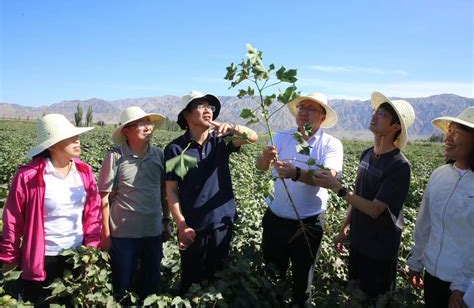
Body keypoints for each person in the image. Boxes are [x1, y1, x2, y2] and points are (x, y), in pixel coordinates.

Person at [313, 92, 415, 300]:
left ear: (396, 127)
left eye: (383, 115)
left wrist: (338, 188)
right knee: (355, 294)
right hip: (359, 242)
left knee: (375, 299)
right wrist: (344, 229)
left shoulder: (399, 165)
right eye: (376, 111)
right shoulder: (367, 154)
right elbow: (358, 197)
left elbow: (374, 209)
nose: (375, 116)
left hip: (380, 250)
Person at [0, 114, 101, 307]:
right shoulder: (28, 176)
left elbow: (93, 214)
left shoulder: (84, 172)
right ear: (53, 145)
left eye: (76, 136)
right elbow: (13, 219)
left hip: (76, 255)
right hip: (42, 258)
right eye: (70, 137)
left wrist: (91, 249)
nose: (77, 140)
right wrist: (9, 256)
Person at [164, 90, 258, 293]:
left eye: (211, 107)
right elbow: (172, 190)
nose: (208, 110)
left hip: (221, 221)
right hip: (193, 226)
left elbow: (252, 137)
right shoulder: (178, 149)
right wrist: (181, 224)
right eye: (201, 106)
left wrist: (234, 128)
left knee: (217, 280)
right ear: (186, 115)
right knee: (192, 282)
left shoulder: (220, 141)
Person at [255, 92, 343, 307]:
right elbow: (260, 166)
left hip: (308, 225)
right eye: (302, 107)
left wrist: (296, 173)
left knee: (302, 284)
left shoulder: (331, 144)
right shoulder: (281, 136)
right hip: (275, 219)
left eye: (311, 109)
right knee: (272, 277)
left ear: (322, 117)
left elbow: (328, 178)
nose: (304, 112)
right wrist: (264, 159)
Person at [97, 106, 171, 302]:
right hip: (123, 235)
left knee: (151, 285)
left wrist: (166, 220)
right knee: (122, 286)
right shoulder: (115, 156)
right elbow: (104, 198)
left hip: (153, 232)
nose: (148, 127)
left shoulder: (159, 155)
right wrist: (105, 234)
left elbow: (164, 192)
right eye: (141, 124)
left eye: (149, 123)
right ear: (126, 131)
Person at [407, 106, 474, 308]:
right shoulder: (439, 174)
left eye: (457, 132)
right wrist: (416, 261)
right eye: (448, 131)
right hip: (433, 276)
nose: (447, 137)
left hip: (465, 287)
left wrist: (463, 284)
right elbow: (424, 223)